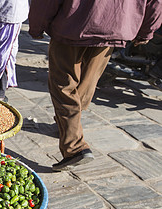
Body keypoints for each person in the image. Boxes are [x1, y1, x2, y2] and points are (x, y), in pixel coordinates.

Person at [28, 0, 162, 171]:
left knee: (63, 85)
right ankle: (68, 126)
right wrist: (146, 31)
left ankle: (75, 148)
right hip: (115, 25)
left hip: (73, 24)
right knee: (87, 82)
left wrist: (37, 25)